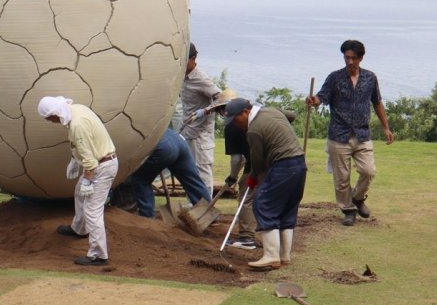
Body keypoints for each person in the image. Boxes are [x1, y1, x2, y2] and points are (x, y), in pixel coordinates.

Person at [307, 39, 395, 226]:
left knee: (368, 171)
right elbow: (321, 97)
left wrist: (386, 127)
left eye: (353, 58)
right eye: (346, 58)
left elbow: (377, 102)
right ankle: (348, 210)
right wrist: (313, 100)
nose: (349, 62)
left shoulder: (370, 78)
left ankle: (358, 198)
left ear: (361, 58)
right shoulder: (334, 77)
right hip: (338, 135)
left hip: (362, 134)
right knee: (342, 179)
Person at [224, 98, 307, 271]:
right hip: (299, 164)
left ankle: (271, 256)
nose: (236, 124)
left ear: (246, 112)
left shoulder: (253, 131)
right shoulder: (272, 111)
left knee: (263, 205)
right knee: (287, 209)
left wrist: (253, 178)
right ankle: (284, 256)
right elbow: (291, 116)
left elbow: (257, 161)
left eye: (236, 119)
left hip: (282, 166)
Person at [39, 96, 118, 266]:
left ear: (54, 113)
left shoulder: (76, 125)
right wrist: (75, 159)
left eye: (48, 118)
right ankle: (79, 229)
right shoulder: (77, 109)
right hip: (102, 161)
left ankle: (98, 254)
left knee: (92, 210)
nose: (50, 122)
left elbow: (90, 161)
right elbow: (87, 145)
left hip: (101, 167)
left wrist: (88, 180)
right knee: (79, 194)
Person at [127, 127, 210, 218]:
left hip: (163, 147)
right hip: (178, 139)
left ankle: (147, 217)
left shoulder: (128, 133)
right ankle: (208, 215)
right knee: (193, 181)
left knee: (140, 180)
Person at [175, 43, 222, 194]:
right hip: (187, 131)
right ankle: (194, 203)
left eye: (185, 60)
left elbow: (221, 98)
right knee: (191, 170)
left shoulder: (201, 79)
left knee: (202, 170)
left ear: (193, 58)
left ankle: (205, 206)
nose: (181, 63)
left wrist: (206, 110)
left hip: (201, 134)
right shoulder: (183, 77)